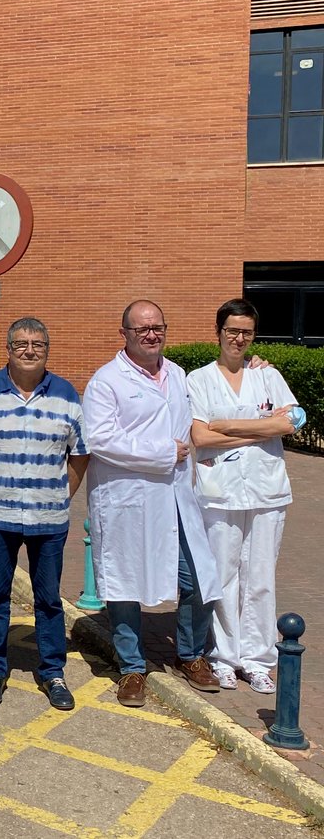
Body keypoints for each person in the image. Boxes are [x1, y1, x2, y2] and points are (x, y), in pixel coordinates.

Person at [84, 300, 223, 708]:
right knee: (124, 582)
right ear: (124, 332)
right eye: (142, 328)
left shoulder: (178, 375)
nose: (151, 334)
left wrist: (252, 368)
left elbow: (213, 404)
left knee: (197, 577)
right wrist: (162, 452)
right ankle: (131, 667)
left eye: (157, 327)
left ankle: (190, 654)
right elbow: (100, 439)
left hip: (176, 495)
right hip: (128, 498)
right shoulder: (106, 381)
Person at [0, 318, 88, 710]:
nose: (30, 351)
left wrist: (63, 495)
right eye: (21, 344)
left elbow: (79, 454)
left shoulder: (66, 395)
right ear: (8, 350)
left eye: (38, 344)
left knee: (49, 600)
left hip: (49, 520)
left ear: (47, 349)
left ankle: (53, 673)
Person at [188, 299, 302, 693]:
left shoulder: (267, 375)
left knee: (261, 578)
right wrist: (262, 427)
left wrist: (229, 425)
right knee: (223, 576)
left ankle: (257, 659)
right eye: (232, 331)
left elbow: (292, 422)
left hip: (267, 490)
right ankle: (223, 656)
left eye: (247, 332)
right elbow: (200, 436)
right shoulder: (198, 379)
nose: (239, 339)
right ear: (218, 332)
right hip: (219, 492)